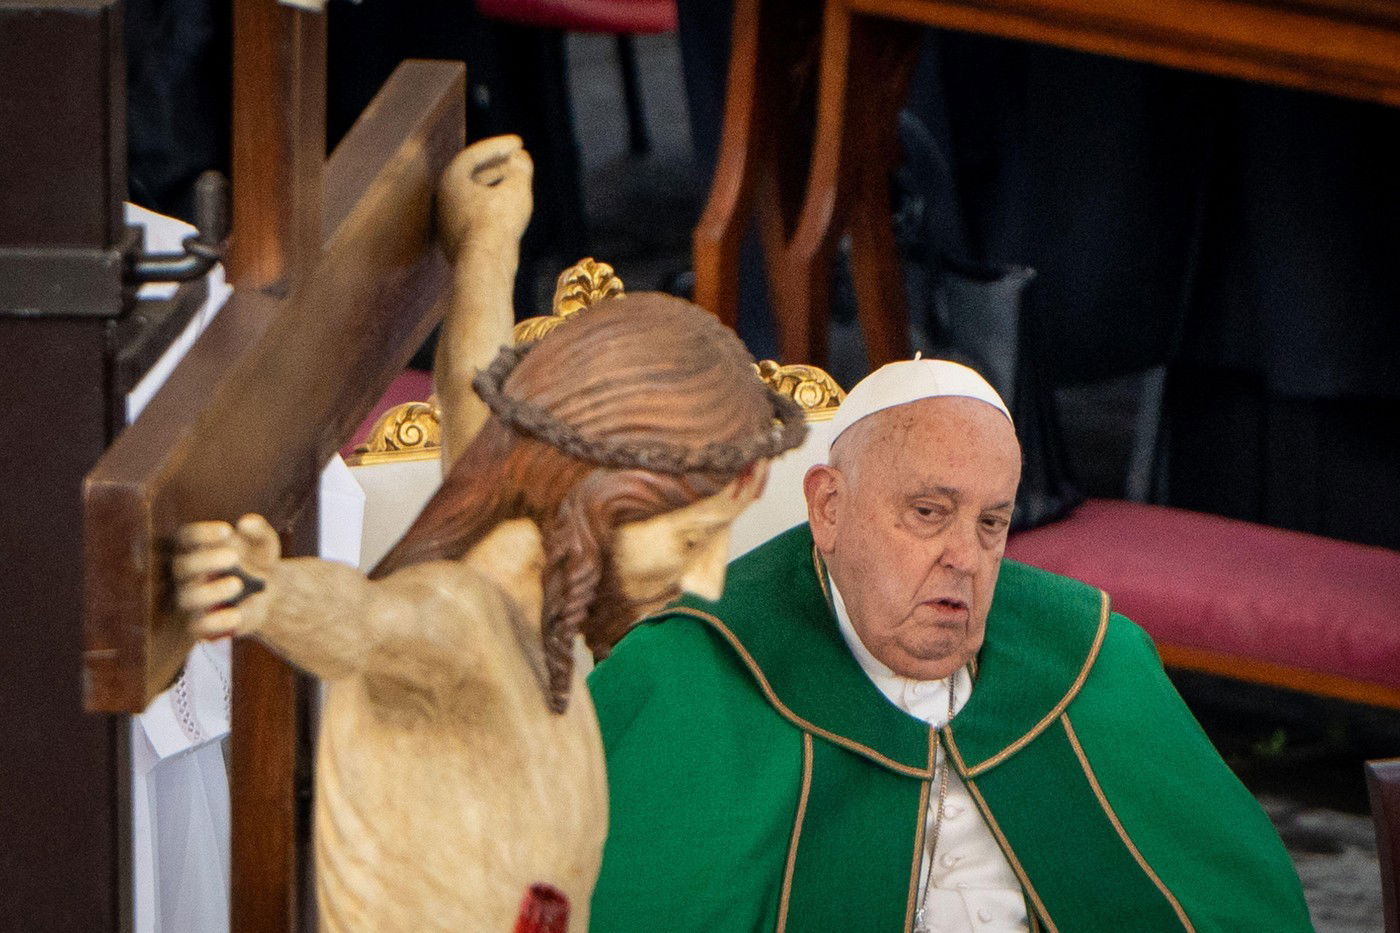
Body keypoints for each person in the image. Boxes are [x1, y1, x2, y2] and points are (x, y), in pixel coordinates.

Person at [171, 136, 806, 931]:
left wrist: (487, 247)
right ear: (595, 503)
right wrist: (263, 592)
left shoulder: (523, 587)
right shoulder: (459, 619)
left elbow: (482, 412)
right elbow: (367, 623)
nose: (707, 578)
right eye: (688, 541)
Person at [587, 358, 1312, 932]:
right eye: (929, 513)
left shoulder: (1091, 660)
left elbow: (1238, 904)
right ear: (830, 507)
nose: (964, 556)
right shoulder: (691, 675)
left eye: (992, 522)